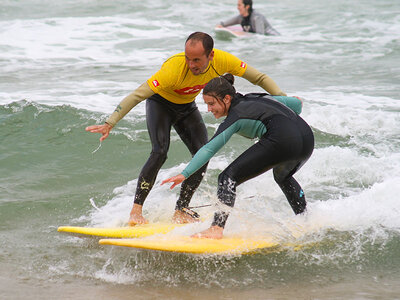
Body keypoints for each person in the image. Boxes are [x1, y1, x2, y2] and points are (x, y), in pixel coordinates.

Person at [86, 32, 287, 226]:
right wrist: (110, 122)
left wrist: (284, 101)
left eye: (197, 60)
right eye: (188, 59)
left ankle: (181, 210)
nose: (191, 65)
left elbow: (259, 78)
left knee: (202, 154)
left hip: (187, 107)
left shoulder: (224, 61)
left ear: (211, 55)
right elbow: (138, 94)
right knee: (159, 152)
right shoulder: (173, 69)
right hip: (160, 104)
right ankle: (136, 211)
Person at [162, 73, 314, 239]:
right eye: (207, 104)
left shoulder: (236, 116)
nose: (209, 109)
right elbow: (297, 104)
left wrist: (184, 174)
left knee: (227, 177)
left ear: (227, 99)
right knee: (283, 177)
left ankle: (216, 229)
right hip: (307, 140)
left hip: (282, 141)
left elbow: (209, 149)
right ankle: (305, 220)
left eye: (212, 104)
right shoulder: (258, 98)